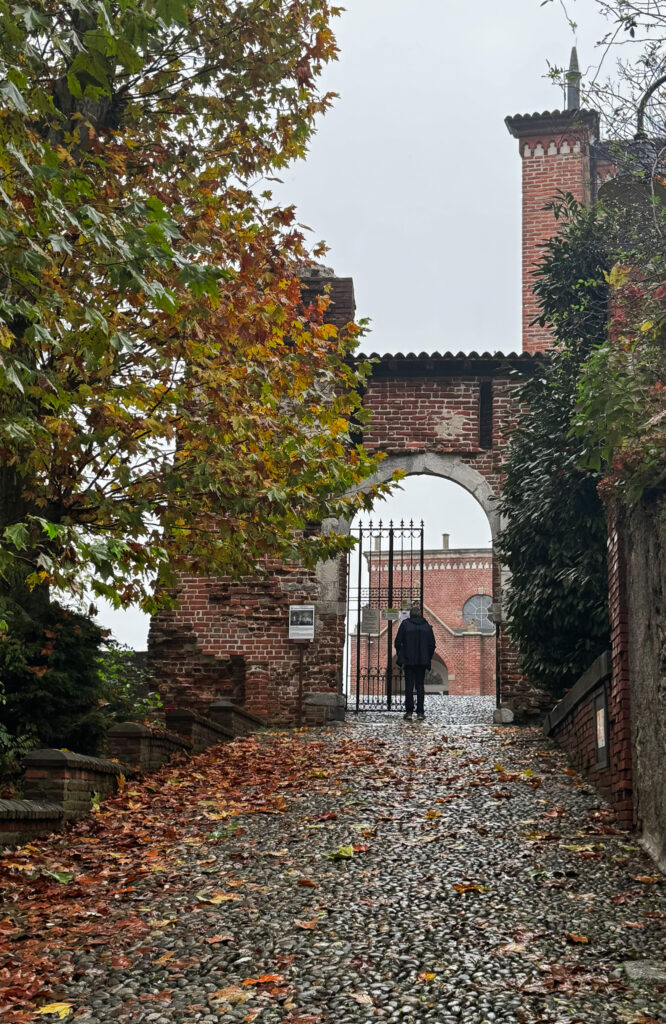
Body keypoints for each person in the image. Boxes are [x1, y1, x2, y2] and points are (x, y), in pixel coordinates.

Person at [394, 602, 436, 721]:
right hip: (422, 661)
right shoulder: (426, 626)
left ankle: (409, 712)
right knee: (420, 686)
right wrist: (427, 657)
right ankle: (420, 712)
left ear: (410, 615)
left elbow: (397, 642)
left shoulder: (405, 624)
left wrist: (401, 654)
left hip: (408, 660)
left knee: (409, 686)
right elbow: (432, 645)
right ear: (420, 615)